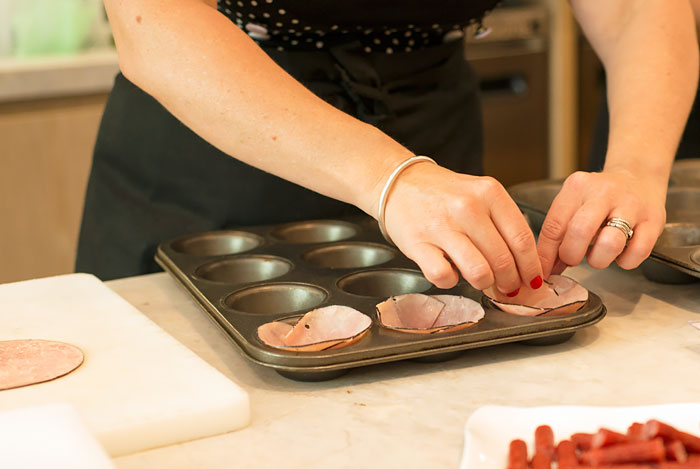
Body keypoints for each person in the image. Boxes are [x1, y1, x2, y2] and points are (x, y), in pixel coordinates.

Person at [77, 0, 698, 301]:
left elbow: (636, 12)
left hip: (432, 122)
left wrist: (637, 167)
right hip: (221, 132)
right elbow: (154, 23)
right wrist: (391, 177)